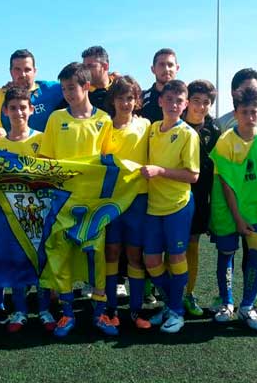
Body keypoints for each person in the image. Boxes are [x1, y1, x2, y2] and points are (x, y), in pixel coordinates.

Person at [39, 62, 116, 337]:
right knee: (61, 256)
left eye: (72, 87)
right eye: (64, 89)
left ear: (86, 86)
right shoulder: (56, 118)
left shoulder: (104, 120)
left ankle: (99, 314)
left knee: (95, 256)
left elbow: (109, 164)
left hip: (93, 204)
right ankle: (67, 314)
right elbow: (47, 161)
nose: (68, 93)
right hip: (62, 201)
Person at [0, 87, 58, 333]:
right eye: (13, 108)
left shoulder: (42, 139)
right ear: (5, 112)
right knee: (17, 262)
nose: (18, 112)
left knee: (40, 262)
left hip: (40, 213)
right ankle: (19, 310)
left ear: (31, 110)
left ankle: (43, 309)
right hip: (10, 214)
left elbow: (53, 173)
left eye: (23, 107)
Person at [210, 68, 257, 317]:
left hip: (255, 208)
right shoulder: (225, 138)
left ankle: (248, 304)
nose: (249, 116)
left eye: (254, 112)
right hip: (228, 210)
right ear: (235, 112)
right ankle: (226, 302)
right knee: (227, 254)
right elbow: (226, 182)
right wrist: (236, 217)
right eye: (244, 112)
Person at [141, 80, 199, 334]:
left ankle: (176, 311)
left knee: (176, 258)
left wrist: (160, 171)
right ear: (160, 101)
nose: (174, 104)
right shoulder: (152, 128)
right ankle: (171, 304)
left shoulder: (188, 133)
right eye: (170, 99)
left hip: (178, 205)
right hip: (153, 205)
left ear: (185, 105)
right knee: (152, 261)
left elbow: (193, 175)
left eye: (179, 101)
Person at [102, 76, 151, 329]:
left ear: (137, 101)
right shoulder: (104, 127)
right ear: (113, 100)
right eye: (120, 97)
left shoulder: (146, 125)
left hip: (138, 199)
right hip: (111, 201)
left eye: (130, 98)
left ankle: (135, 310)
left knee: (135, 254)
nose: (125, 103)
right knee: (112, 252)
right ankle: (110, 308)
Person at [181, 80, 222, 317]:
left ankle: (188, 293)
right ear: (187, 101)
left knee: (192, 246)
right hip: (173, 197)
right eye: (196, 101)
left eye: (206, 102)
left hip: (200, 199)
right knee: (172, 247)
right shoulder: (175, 125)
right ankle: (168, 295)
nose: (201, 106)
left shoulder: (214, 131)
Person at [0, 49, 65, 132]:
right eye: (17, 69)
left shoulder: (51, 89)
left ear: (34, 71)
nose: (22, 74)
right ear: (11, 72)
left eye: (27, 69)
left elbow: (77, 82)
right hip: (6, 144)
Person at [140, 48, 180, 123]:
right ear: (153, 69)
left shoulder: (188, 98)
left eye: (170, 65)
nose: (166, 69)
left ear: (177, 68)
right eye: (162, 65)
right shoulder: (141, 99)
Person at [82, 45, 114, 113]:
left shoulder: (121, 90)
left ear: (105, 66)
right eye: (84, 67)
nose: (86, 70)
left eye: (90, 66)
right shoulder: (80, 93)